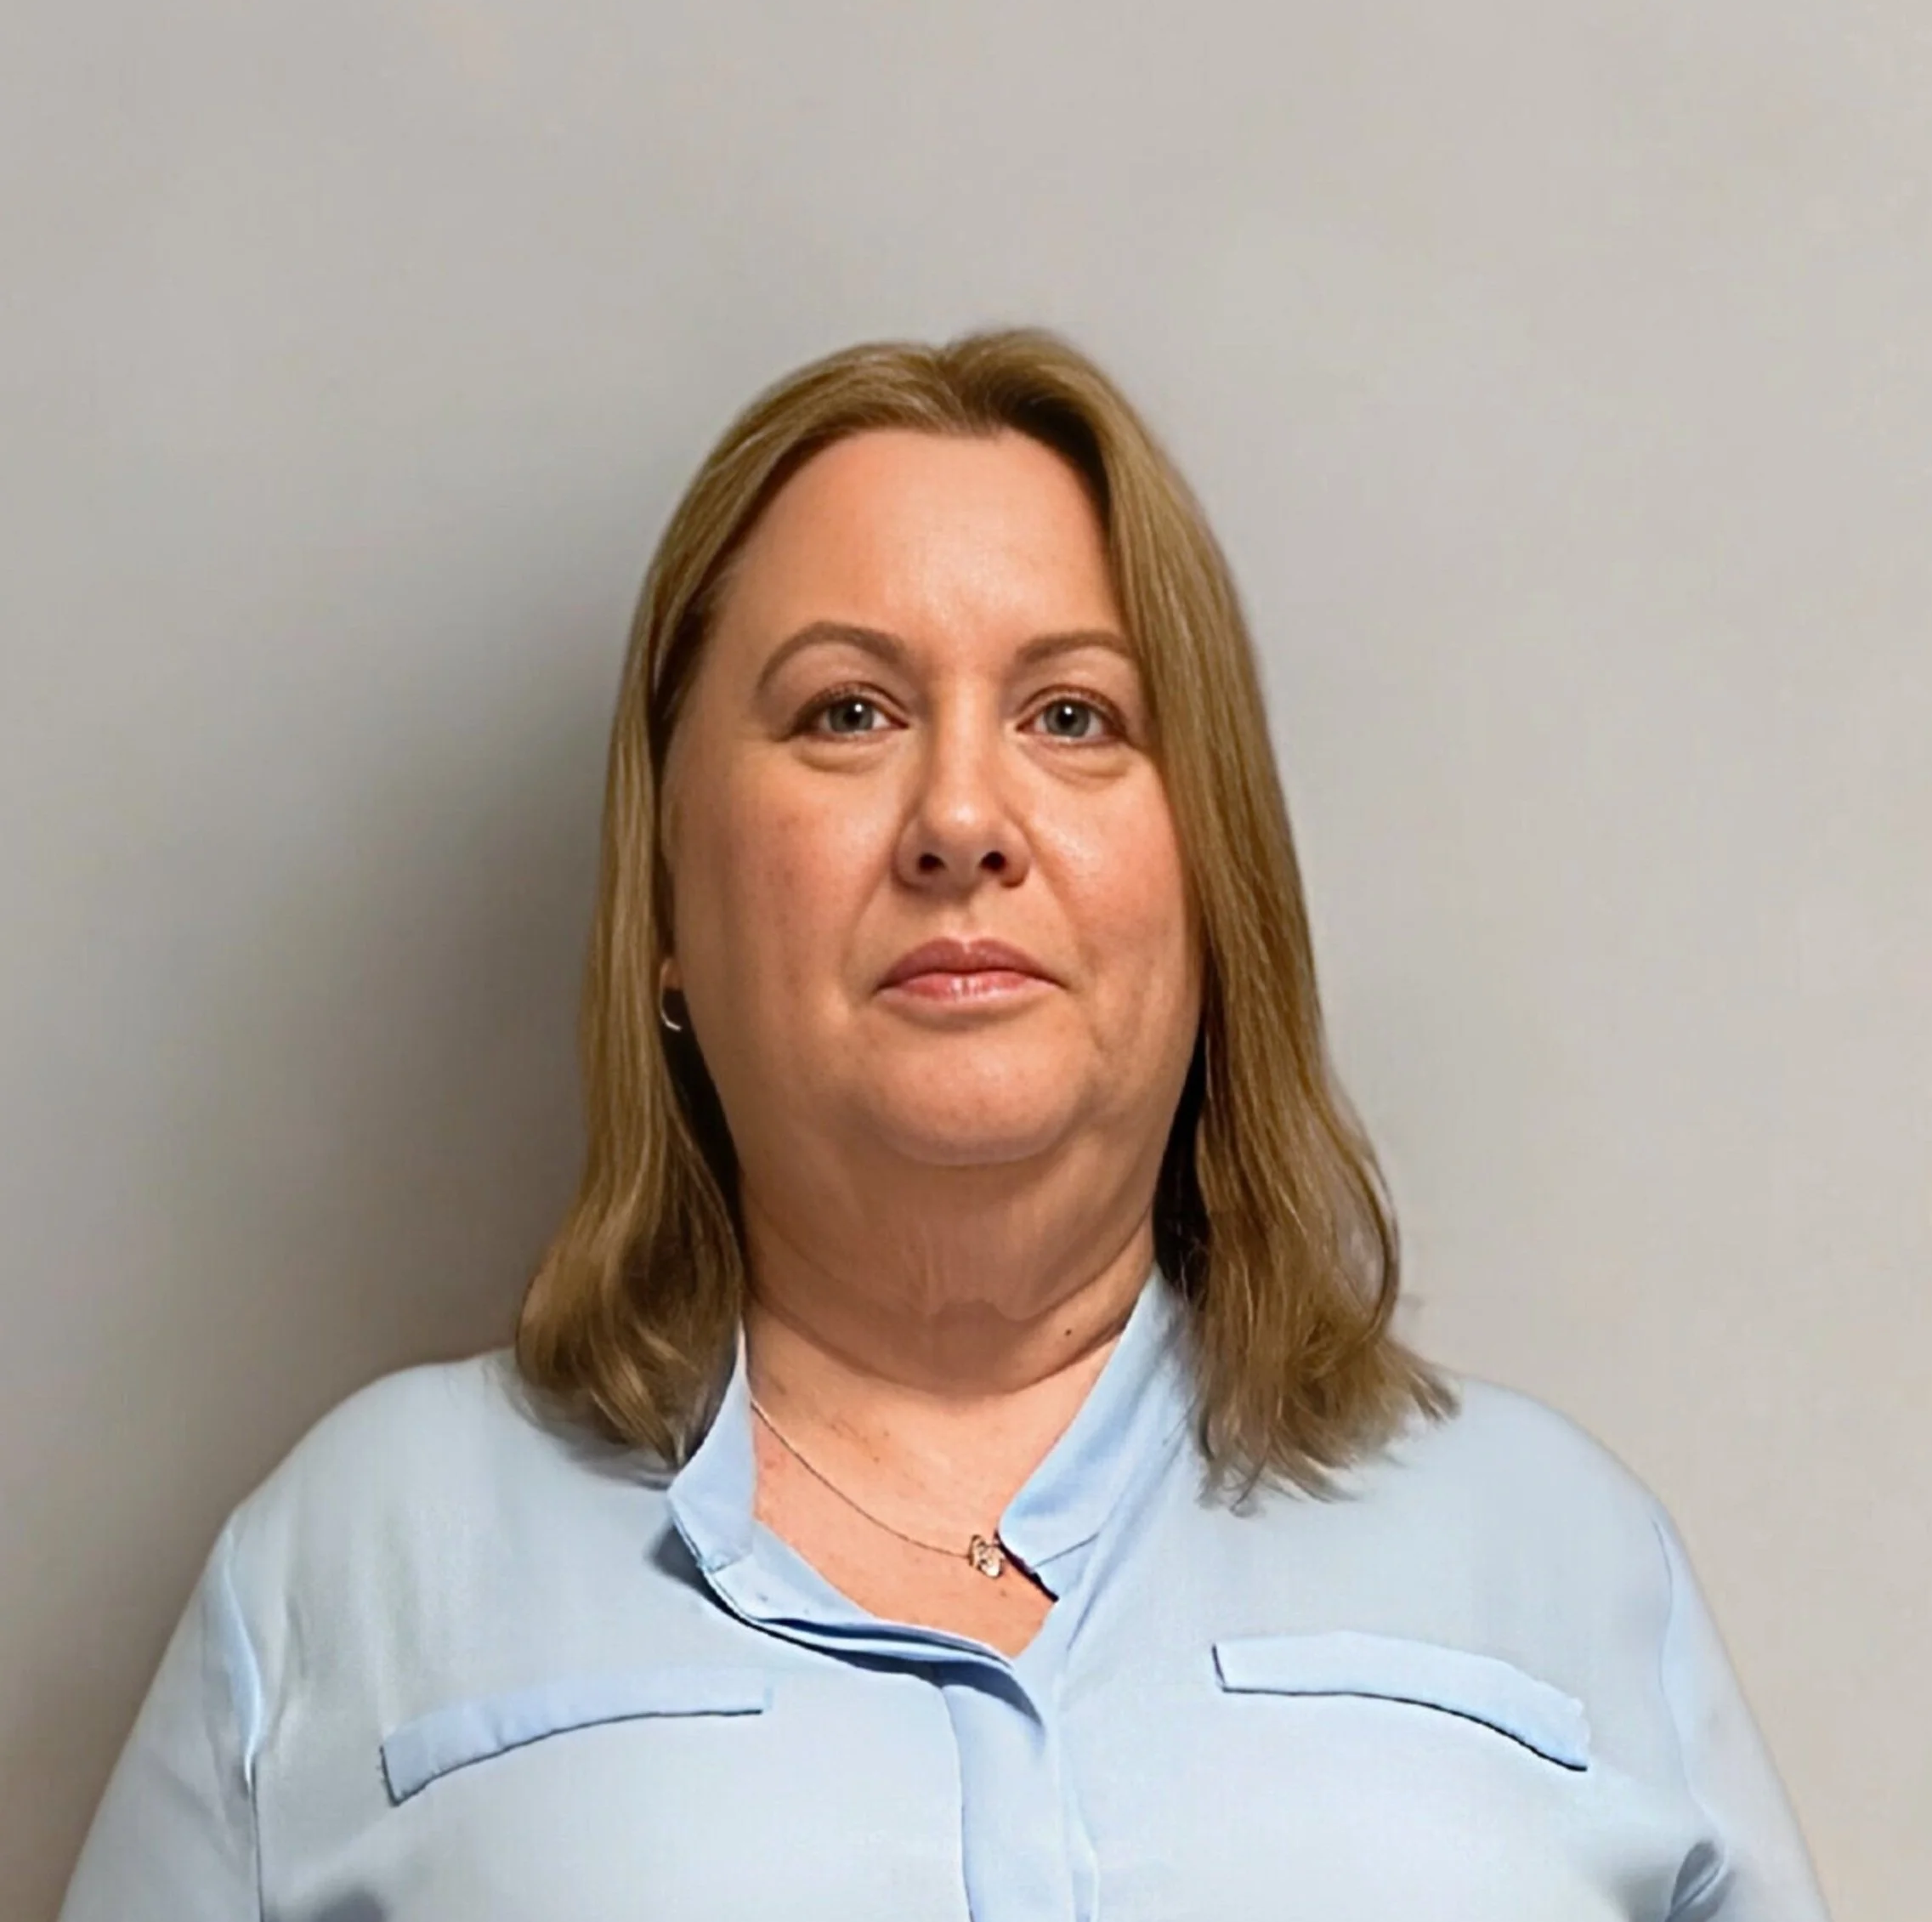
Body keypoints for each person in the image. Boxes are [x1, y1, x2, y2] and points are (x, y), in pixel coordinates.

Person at [59, 327, 1833, 1920]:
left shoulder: (1559, 1560)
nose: (961, 816)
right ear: (665, 912)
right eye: (846, 710)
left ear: (1209, 886)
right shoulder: (347, 1571)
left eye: (1073, 715)